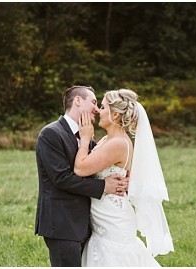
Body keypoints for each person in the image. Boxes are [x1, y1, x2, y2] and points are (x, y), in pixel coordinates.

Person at [73, 89, 174, 266]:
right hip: (104, 219)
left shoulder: (118, 143)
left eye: (102, 107)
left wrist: (84, 139)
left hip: (113, 221)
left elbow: (81, 168)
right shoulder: (107, 139)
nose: (97, 111)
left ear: (116, 115)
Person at [35, 85, 129, 267]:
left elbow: (104, 165)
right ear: (78, 101)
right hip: (62, 225)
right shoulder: (51, 133)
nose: (96, 109)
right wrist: (104, 186)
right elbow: (61, 178)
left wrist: (127, 177)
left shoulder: (88, 137)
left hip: (87, 226)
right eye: (93, 102)